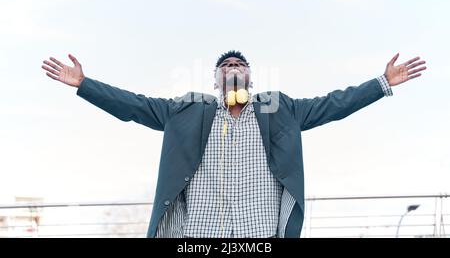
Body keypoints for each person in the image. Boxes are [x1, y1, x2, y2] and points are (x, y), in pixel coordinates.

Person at [41, 50, 426, 238]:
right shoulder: (187, 110)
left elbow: (334, 104)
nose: (232, 68)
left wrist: (383, 83)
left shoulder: (280, 109)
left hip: (259, 233)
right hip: (199, 235)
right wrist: (84, 85)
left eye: (239, 65)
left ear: (250, 79)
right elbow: (134, 106)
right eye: (225, 66)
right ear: (214, 82)